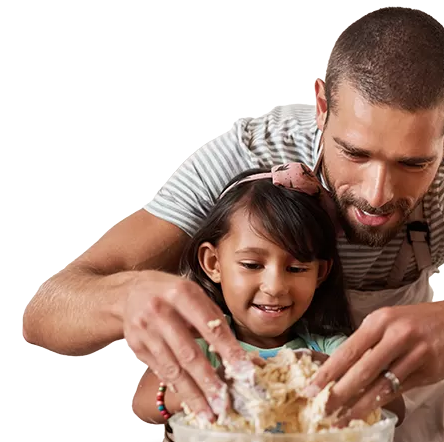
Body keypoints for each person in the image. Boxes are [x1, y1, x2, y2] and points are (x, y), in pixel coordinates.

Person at [23, 6, 444, 442]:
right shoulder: (244, 156)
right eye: (355, 153)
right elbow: (44, 313)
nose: (377, 194)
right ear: (321, 105)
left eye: (413, 163)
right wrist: (123, 298)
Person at [131, 164, 406, 427]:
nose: (275, 287)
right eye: (252, 265)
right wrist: (215, 388)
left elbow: (396, 408)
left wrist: (324, 371)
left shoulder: (328, 349)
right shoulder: (204, 346)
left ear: (320, 273)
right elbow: (143, 403)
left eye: (296, 268)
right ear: (213, 263)